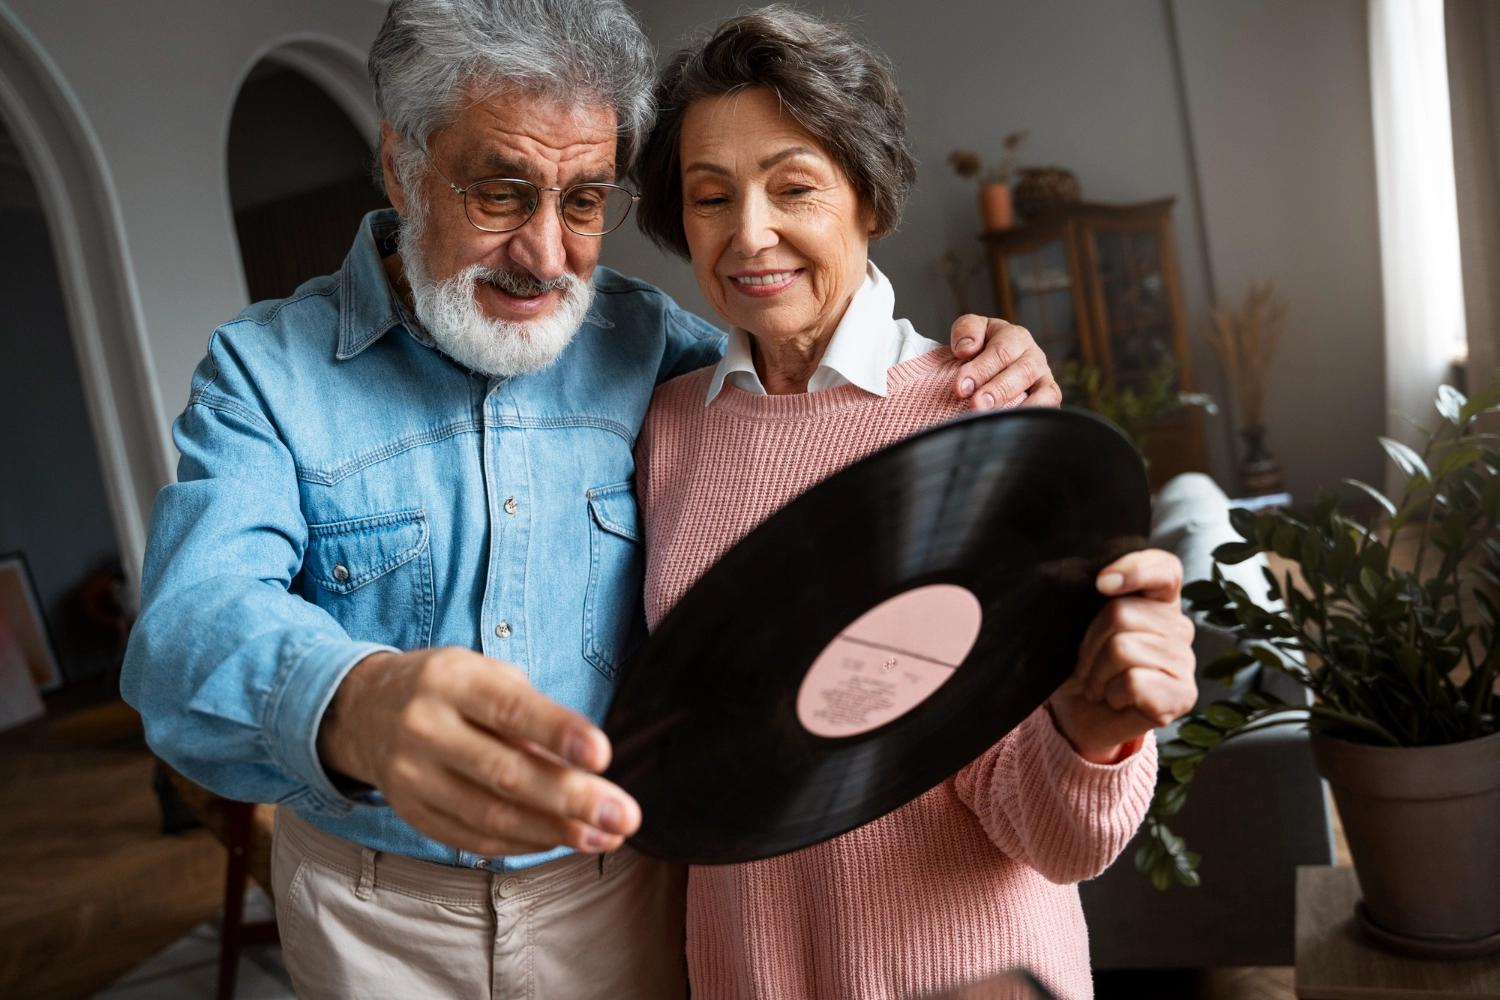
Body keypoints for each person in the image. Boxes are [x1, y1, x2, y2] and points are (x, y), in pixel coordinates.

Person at [119, 0, 1061, 996]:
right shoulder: (265, 371)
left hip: (621, 894)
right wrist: (358, 703)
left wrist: (980, 361)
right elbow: (186, 631)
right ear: (402, 167)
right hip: (371, 915)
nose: (547, 254)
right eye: (500, 191)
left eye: (582, 200)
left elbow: (814, 391)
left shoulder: (655, 348)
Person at [632, 9, 1198, 1000]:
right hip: (746, 973)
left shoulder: (988, 411)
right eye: (710, 197)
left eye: (794, 186)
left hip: (966, 976)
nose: (749, 233)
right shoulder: (664, 430)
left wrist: (1095, 727)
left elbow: (1059, 837)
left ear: (870, 197)